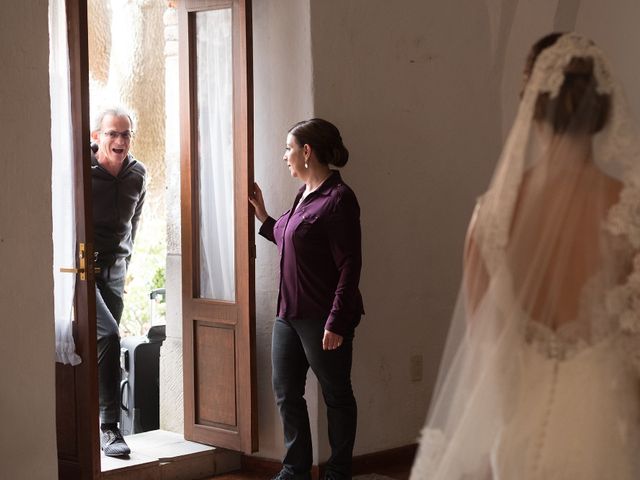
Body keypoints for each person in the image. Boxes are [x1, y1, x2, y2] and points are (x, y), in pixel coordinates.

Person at [410, 32, 640, 479]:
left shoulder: (491, 217)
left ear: (532, 105)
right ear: (605, 107)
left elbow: (483, 347)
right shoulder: (629, 212)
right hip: (600, 431)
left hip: (519, 433)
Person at [249, 118, 364, 480]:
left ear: (307, 152)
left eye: (289, 148)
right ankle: (295, 470)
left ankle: (337, 472)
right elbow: (290, 239)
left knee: (336, 396)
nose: (285, 156)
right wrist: (264, 216)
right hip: (288, 316)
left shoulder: (339, 199)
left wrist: (337, 321)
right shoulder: (304, 196)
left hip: (322, 319)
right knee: (286, 394)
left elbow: (350, 265)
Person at [91, 107, 146, 457]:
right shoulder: (82, 170)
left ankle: (98, 424)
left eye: (125, 134)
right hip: (83, 271)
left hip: (115, 273)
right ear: (97, 136)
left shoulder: (137, 174)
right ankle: (109, 428)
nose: (120, 140)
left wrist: (126, 265)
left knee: (104, 349)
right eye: (112, 133)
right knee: (109, 336)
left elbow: (135, 223)